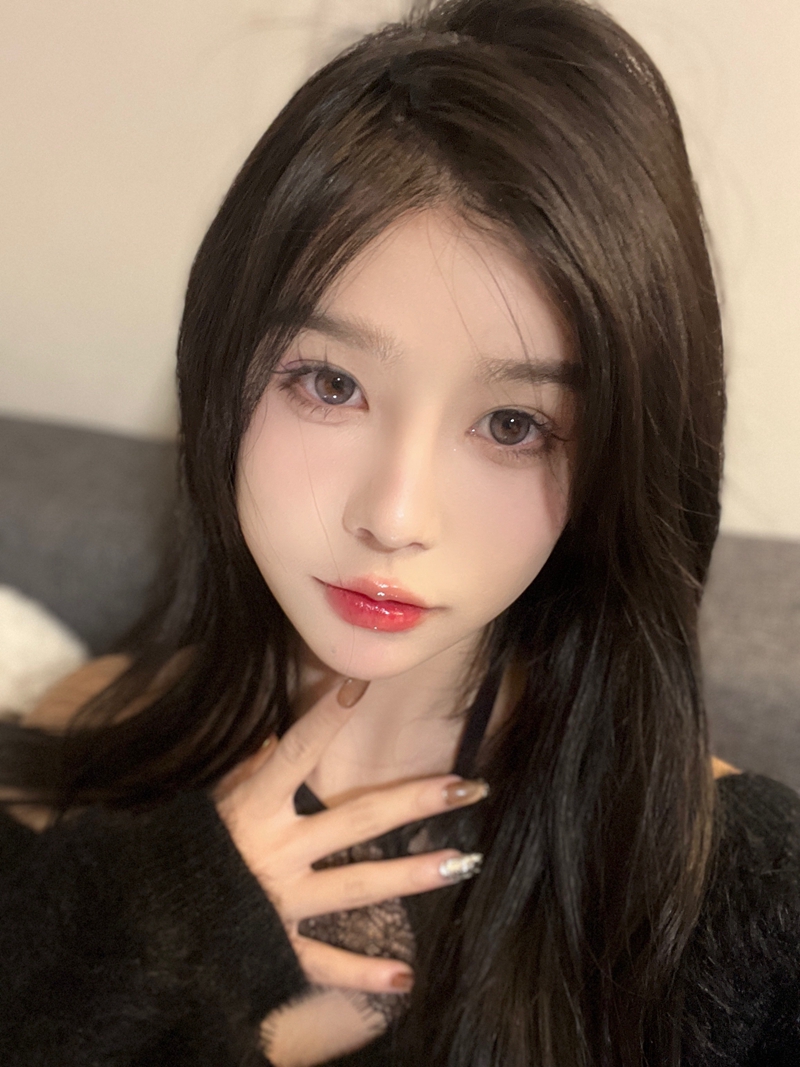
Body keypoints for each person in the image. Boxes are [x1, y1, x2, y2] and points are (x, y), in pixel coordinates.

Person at [1, 0, 798, 1064]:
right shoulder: (86, 740)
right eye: (330, 383)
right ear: (221, 371)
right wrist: (153, 933)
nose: (393, 516)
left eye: (513, 425)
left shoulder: (753, 904)